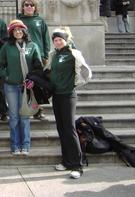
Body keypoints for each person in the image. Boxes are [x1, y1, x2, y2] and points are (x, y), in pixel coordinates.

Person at [45, 28, 92, 179]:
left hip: (68, 96)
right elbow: (49, 72)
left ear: (66, 40)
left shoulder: (73, 53)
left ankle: (77, 165)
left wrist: (75, 84)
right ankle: (66, 161)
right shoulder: (54, 55)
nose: (58, 42)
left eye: (60, 39)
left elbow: (85, 72)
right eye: (55, 40)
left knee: (70, 129)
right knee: (61, 128)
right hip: (57, 96)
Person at [0, 20, 43, 155]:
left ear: (24, 31)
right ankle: (15, 145)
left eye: (20, 29)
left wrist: (32, 80)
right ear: (11, 32)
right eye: (15, 30)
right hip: (11, 86)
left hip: (27, 87)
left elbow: (38, 66)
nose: (18, 32)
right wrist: (7, 76)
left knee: (24, 116)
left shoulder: (32, 46)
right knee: (14, 116)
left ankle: (26, 145)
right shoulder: (7, 47)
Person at [18, 0, 50, 119]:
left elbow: (46, 39)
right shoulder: (19, 20)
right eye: (26, 5)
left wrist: (46, 55)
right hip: (23, 55)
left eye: (32, 5)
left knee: (37, 84)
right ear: (23, 7)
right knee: (24, 83)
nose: (29, 7)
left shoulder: (40, 21)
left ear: (35, 7)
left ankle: (38, 110)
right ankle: (25, 107)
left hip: (38, 57)